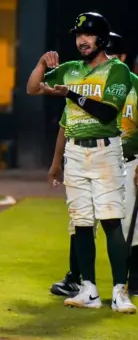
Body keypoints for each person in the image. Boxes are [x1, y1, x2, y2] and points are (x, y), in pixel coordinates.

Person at [27, 12, 135, 312]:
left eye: (87, 35)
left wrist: (72, 94)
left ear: (101, 38)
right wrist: (41, 64)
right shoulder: (71, 69)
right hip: (75, 153)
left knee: (111, 220)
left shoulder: (117, 70)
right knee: (82, 222)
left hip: (105, 152)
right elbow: (32, 88)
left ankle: (120, 290)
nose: (81, 41)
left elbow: (108, 112)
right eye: (78, 35)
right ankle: (89, 289)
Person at [49, 32, 138, 301]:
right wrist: (56, 162)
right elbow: (66, 124)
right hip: (88, 156)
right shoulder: (88, 81)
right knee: (81, 222)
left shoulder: (132, 84)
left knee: (123, 224)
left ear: (122, 57)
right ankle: (76, 279)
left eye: (112, 54)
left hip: (127, 161)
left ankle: (130, 282)